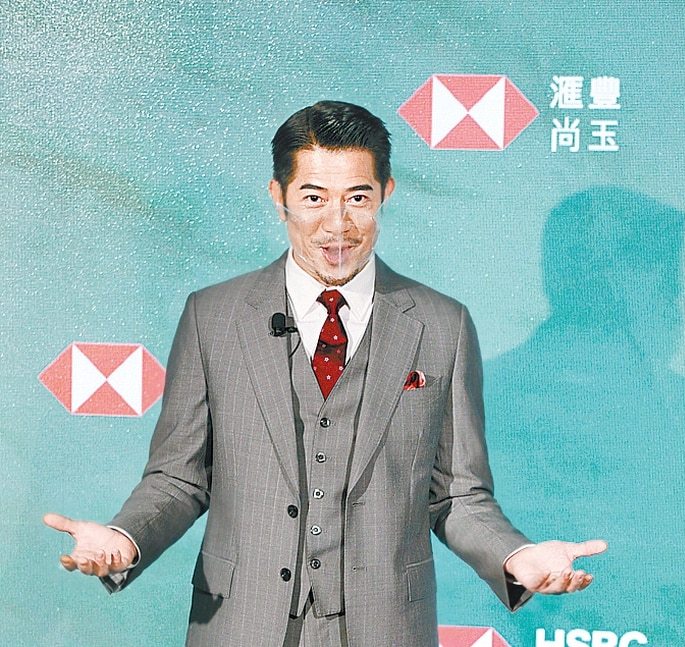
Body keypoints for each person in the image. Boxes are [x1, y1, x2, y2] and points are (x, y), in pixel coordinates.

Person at [44, 101, 606, 647]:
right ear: (279, 197)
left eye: (357, 197)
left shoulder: (442, 325)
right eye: (313, 198)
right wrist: (125, 537)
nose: (337, 225)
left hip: (388, 626)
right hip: (240, 624)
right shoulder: (213, 317)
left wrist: (516, 556)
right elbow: (179, 477)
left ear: (386, 194)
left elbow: (457, 494)